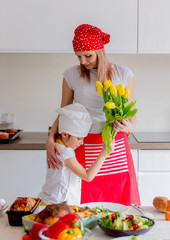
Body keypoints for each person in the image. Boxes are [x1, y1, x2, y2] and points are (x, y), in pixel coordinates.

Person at [46, 24, 141, 206]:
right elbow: (63, 112)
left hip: (114, 145)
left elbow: (132, 115)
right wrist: (50, 139)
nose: (82, 61)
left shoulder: (124, 74)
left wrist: (129, 126)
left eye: (87, 55)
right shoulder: (71, 75)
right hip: (83, 143)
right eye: (79, 56)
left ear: (100, 50)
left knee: (120, 202)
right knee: (85, 203)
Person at [39, 103, 114, 205]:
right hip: (59, 206)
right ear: (65, 134)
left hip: (49, 201)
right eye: (79, 138)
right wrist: (103, 154)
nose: (81, 142)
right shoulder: (65, 152)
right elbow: (88, 176)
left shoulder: (57, 146)